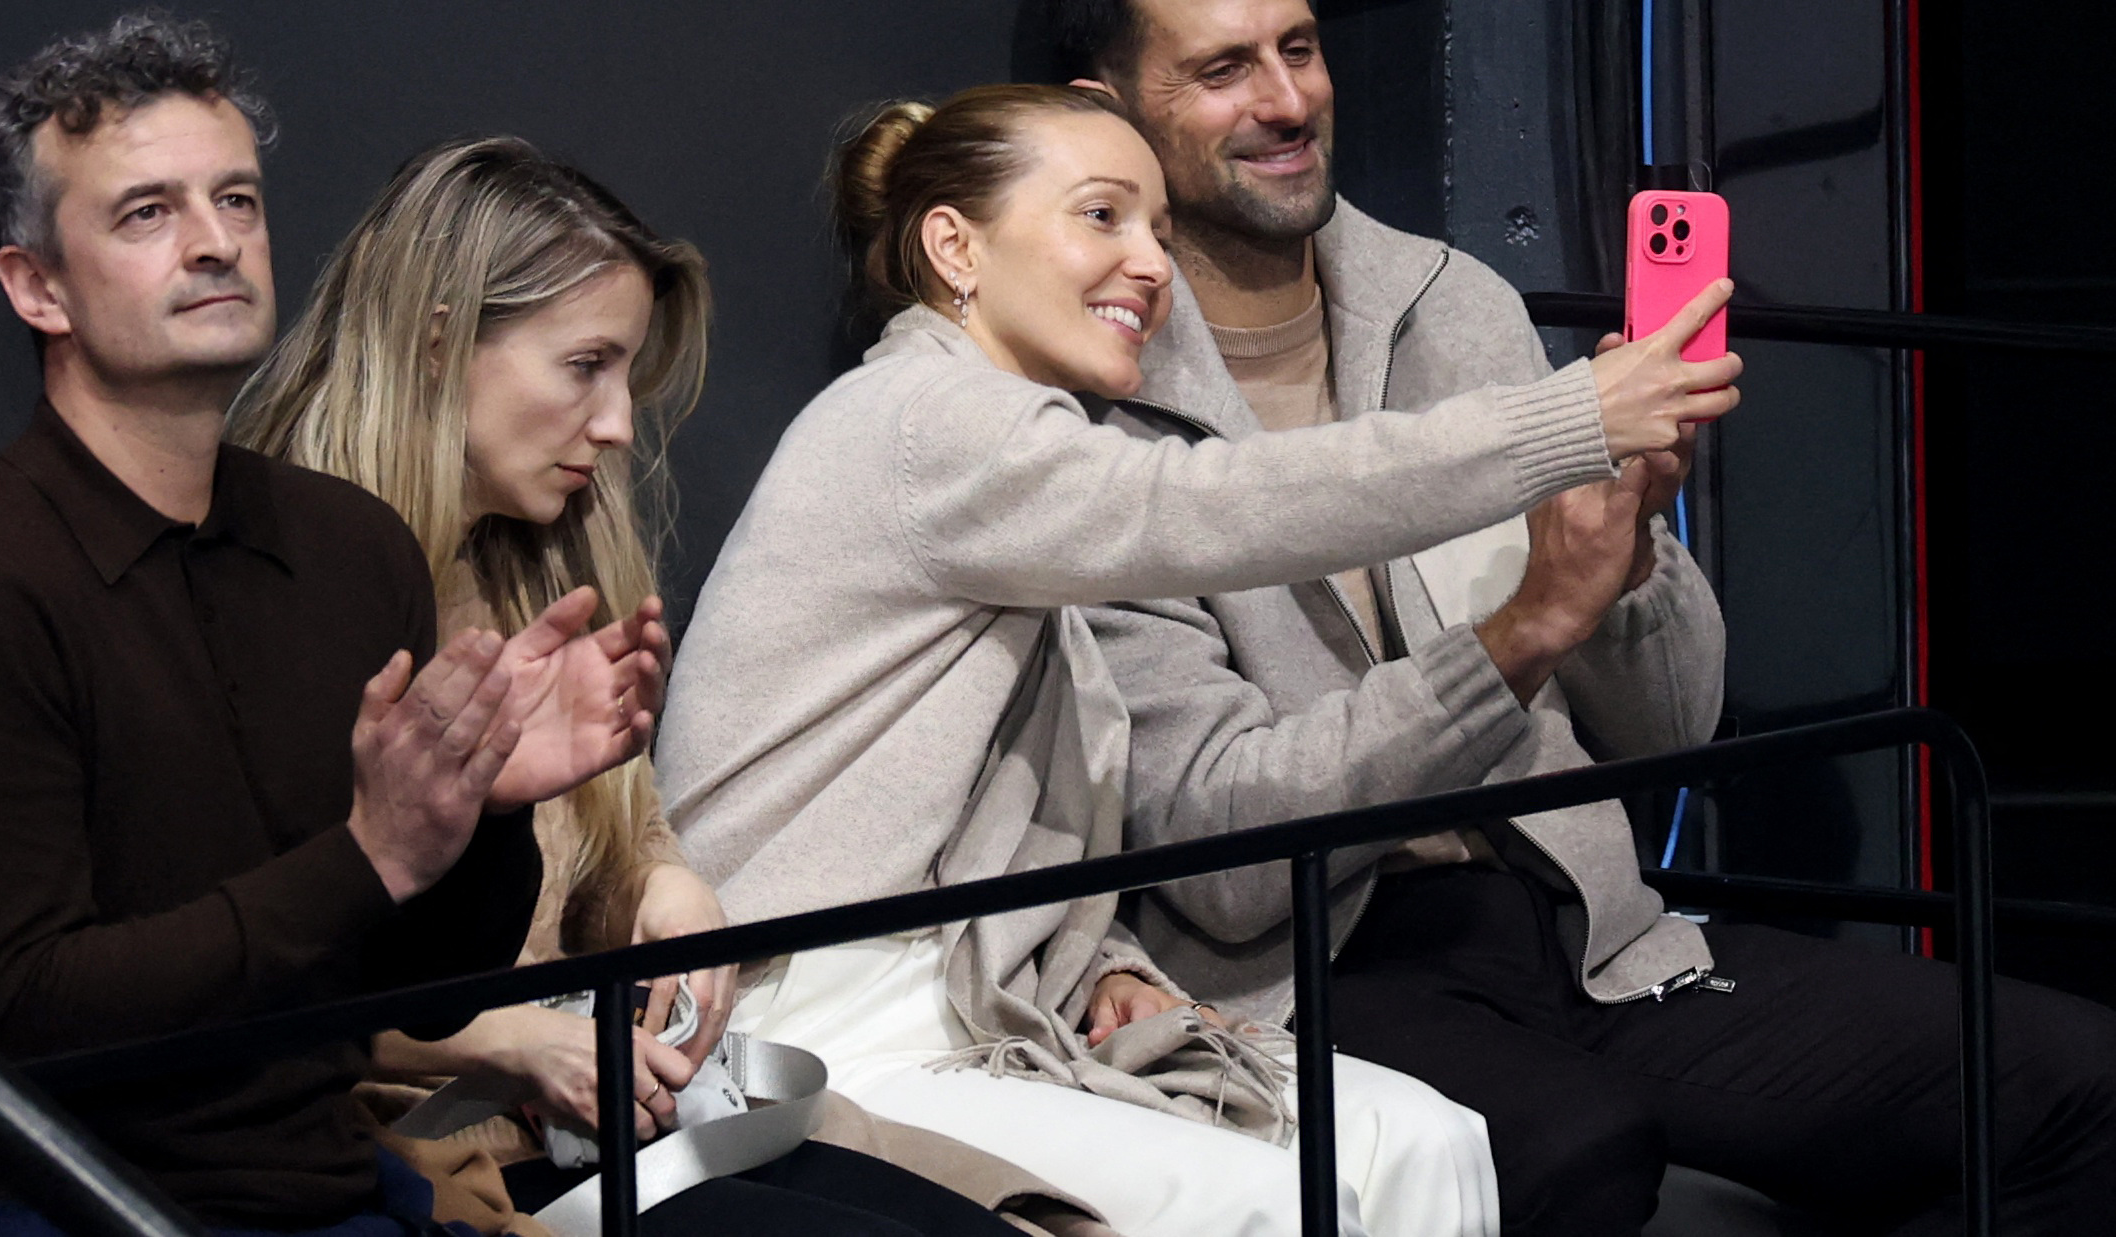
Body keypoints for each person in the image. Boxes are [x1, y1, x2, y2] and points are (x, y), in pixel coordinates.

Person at [1041, 0, 2116, 1236]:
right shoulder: (1085, 419)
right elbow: (1227, 868)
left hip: (1594, 938)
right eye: (1219, 70)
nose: (1285, 100)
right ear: (1104, 115)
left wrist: (1625, 564)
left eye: (1297, 49)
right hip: (1325, 971)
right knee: (1576, 1153)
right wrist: (1521, 634)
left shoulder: (1453, 309)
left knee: (2075, 1084)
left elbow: (1670, 725)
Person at [656, 81, 1735, 1237]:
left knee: (1427, 1141)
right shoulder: (927, 421)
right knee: (1278, 1203)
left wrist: (1100, 956)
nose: (1151, 264)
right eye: (1102, 217)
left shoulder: (1019, 464)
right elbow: (1226, 500)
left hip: (980, 995)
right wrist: (1566, 416)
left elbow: (994, 814)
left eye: (1159, 230)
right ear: (952, 245)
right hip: (810, 1008)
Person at [231, 134, 1079, 1237]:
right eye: (585, 365)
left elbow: (603, 844)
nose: (620, 421)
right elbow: (256, 970)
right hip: (410, 1142)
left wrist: (660, 884)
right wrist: (495, 1037)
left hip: (617, 1112)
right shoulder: (280, 581)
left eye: (624, 371)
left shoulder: (544, 548)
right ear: (438, 346)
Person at [0, 14, 666, 1237]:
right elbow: (19, 1014)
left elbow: (420, 993)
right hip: (79, 1210)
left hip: (339, 1192)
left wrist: (485, 810)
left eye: (237, 198)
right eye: (147, 213)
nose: (217, 241)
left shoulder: (347, 543)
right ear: (36, 287)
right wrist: (370, 853)